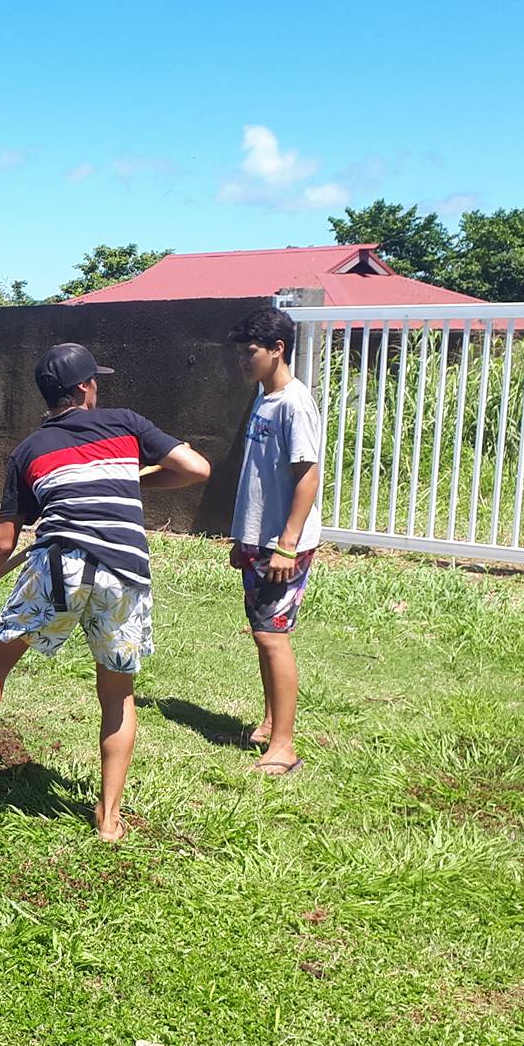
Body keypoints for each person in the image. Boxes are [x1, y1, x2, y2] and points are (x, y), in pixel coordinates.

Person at [0, 343, 210, 842]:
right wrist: (132, 481)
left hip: (60, 566)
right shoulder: (126, 424)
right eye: (94, 380)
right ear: (83, 388)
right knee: (118, 693)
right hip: (125, 573)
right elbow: (196, 469)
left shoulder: (29, 450)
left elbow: (3, 539)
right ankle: (109, 818)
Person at [226, 306, 322, 776]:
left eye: (250, 352)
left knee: (272, 636)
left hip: (283, 543)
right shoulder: (266, 398)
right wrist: (242, 538)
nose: (242, 361)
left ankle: (283, 747)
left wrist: (286, 542)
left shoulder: (294, 403)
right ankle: (268, 723)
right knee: (264, 636)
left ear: (277, 349)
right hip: (257, 539)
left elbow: (308, 476)